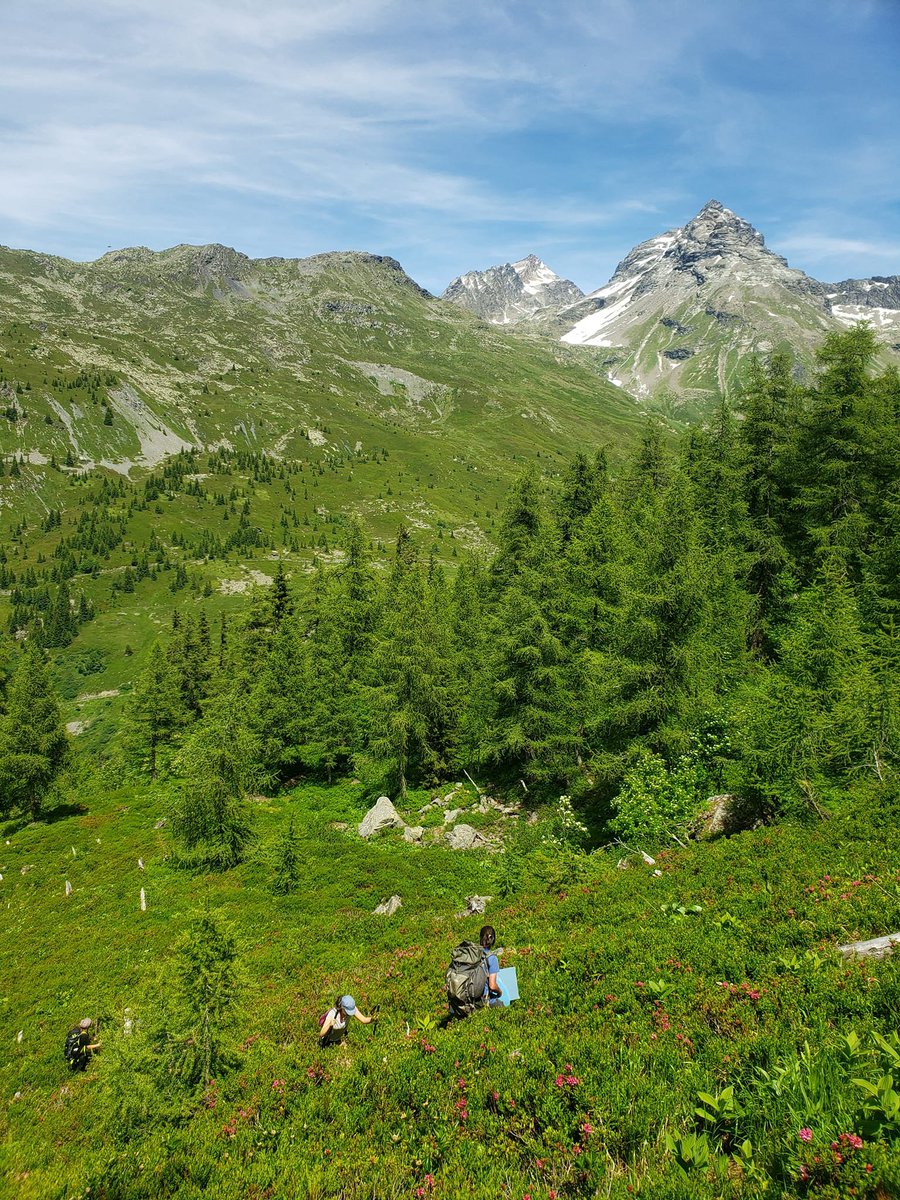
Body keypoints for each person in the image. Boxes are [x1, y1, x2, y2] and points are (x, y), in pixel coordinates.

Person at [479, 925, 504, 1007]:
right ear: (493, 939)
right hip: (485, 1000)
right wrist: (500, 992)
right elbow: (492, 986)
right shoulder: (492, 958)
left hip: (470, 999)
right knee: (502, 1006)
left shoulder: (472, 955)